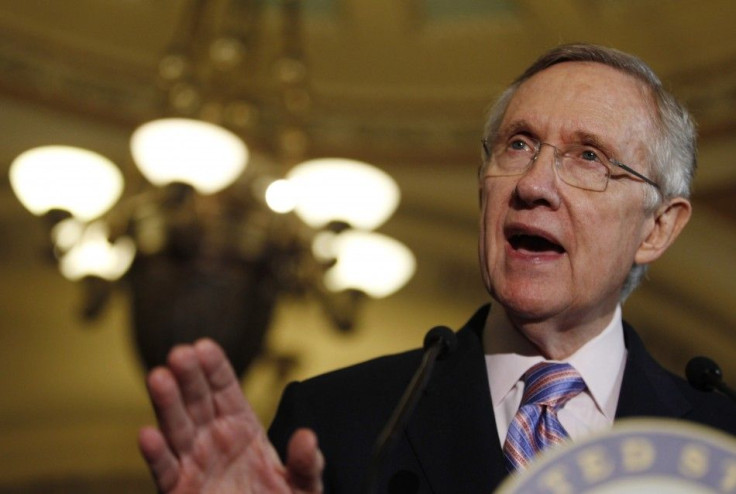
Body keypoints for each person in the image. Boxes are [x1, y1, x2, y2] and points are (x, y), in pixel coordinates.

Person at [137, 43, 736, 493]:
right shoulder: (337, 422)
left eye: (588, 157)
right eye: (518, 144)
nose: (533, 185)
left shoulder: (720, 440)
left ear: (658, 228)